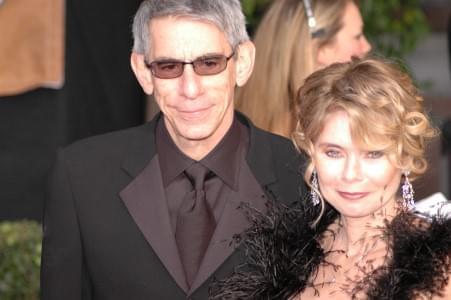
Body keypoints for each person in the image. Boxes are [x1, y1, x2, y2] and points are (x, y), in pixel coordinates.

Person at [40, 1, 304, 299]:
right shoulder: (81, 177)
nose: (190, 89)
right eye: (169, 67)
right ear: (142, 71)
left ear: (242, 63)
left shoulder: (301, 176)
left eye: (209, 64)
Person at [210, 57, 451, 299]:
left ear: (405, 156)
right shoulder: (289, 255)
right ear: (311, 152)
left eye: (373, 154)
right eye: (334, 152)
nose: (351, 174)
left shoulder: (439, 262)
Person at [236, 0, 371, 137]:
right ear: (321, 48)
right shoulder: (332, 131)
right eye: (357, 36)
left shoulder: (240, 128)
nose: (366, 46)